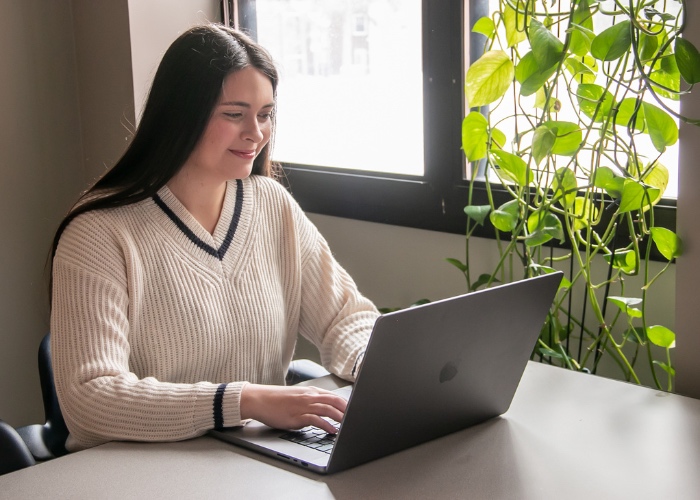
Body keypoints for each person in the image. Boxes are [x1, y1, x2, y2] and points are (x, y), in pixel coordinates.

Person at [49, 23, 379, 452]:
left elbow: (345, 318)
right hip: (140, 471)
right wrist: (243, 400)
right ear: (181, 113)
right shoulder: (98, 234)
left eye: (265, 114)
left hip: (257, 461)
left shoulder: (272, 205)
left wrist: (371, 363)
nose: (256, 134)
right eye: (234, 114)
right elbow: (90, 399)